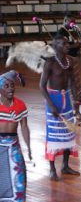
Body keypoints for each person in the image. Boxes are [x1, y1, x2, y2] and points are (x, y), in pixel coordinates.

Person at [40, 34, 80, 181]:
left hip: (66, 98)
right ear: (55, 46)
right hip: (53, 99)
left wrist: (76, 100)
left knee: (69, 132)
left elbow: (72, 82)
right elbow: (42, 86)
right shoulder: (50, 62)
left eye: (67, 44)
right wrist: (51, 105)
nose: (67, 46)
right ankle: (52, 169)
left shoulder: (69, 61)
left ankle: (65, 165)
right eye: (63, 44)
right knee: (54, 134)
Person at [0, 70, 31, 202]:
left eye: (12, 85)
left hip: (13, 145)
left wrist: (29, 147)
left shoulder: (20, 105)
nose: (10, 89)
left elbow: (24, 126)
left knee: (19, 175)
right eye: (6, 86)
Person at [57, 13, 81, 120]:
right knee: (66, 86)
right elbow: (60, 46)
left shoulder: (73, 31)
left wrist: (78, 45)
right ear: (65, 20)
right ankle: (66, 111)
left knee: (76, 86)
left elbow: (73, 44)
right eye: (71, 22)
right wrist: (74, 46)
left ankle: (77, 111)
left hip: (74, 60)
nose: (73, 24)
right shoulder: (60, 32)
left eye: (75, 22)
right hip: (66, 61)